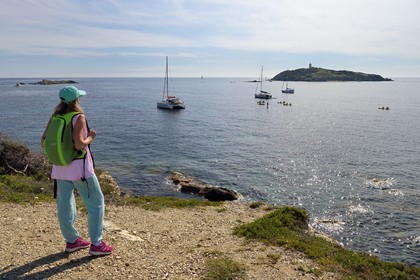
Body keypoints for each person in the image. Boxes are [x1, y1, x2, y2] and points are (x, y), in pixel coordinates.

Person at [41, 86, 112, 256]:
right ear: (76, 100)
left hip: (59, 168)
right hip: (79, 169)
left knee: (65, 204)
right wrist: (91, 137)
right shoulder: (78, 117)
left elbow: (43, 141)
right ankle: (96, 244)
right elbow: (80, 144)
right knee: (96, 203)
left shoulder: (56, 116)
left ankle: (72, 241)